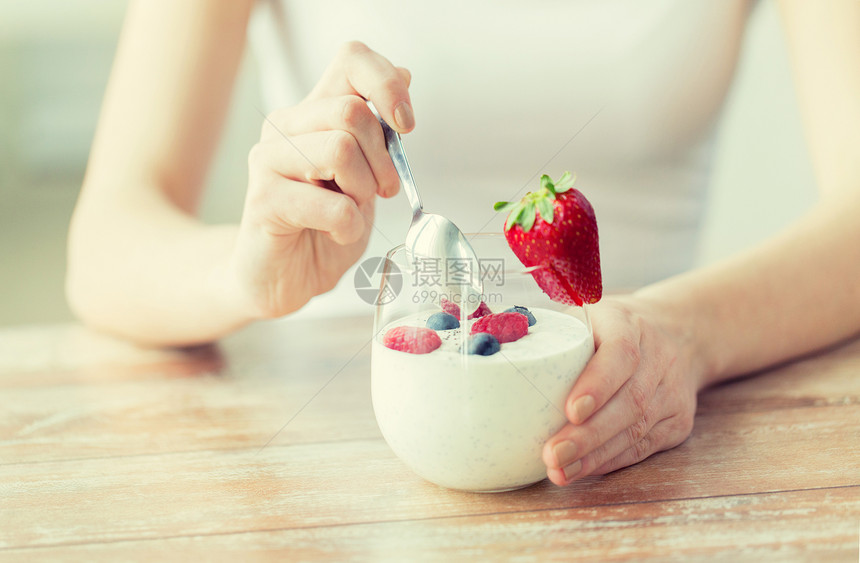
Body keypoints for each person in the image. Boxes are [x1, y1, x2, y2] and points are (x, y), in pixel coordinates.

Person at [66, 0, 860, 487]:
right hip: (340, 459)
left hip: (642, 435)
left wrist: (689, 334)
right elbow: (105, 241)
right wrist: (242, 277)